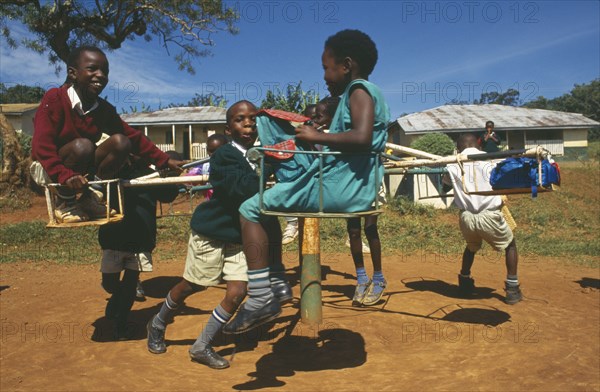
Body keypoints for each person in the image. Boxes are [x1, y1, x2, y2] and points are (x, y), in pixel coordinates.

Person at [224, 29, 390, 334]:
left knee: (250, 208)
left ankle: (262, 295)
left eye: (327, 67)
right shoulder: (360, 92)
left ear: (347, 65)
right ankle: (274, 284)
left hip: (340, 188)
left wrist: (317, 136)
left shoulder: (359, 90)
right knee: (278, 130)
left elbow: (362, 137)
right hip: (345, 182)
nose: (324, 75)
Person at [146, 100, 291, 369]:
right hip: (212, 232)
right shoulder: (225, 155)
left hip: (240, 238)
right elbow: (244, 190)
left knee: (238, 292)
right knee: (193, 285)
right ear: (229, 128)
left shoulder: (262, 153)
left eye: (253, 119)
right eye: (240, 120)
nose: (248, 123)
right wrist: (269, 164)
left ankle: (202, 345)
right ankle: (157, 322)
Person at [31, 45, 182, 223]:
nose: (101, 75)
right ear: (73, 74)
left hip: (81, 168)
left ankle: (92, 196)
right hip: (49, 167)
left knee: (121, 142)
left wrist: (164, 160)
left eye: (105, 71)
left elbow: (133, 137)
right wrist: (63, 173)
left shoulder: (103, 110)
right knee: (83, 146)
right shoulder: (54, 98)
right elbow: (41, 146)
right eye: (92, 69)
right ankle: (65, 202)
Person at [99, 154, 179, 339]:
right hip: (113, 238)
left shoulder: (150, 175)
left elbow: (169, 195)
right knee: (109, 283)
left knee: (129, 284)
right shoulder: (111, 173)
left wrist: (165, 176)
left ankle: (121, 324)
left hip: (141, 239)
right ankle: (117, 298)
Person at [444, 133, 522, 304]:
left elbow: (445, 186)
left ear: (458, 148)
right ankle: (512, 288)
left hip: (467, 217)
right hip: (489, 214)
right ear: (479, 145)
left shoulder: (452, 165)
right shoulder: (491, 161)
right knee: (510, 246)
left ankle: (464, 280)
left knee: (471, 246)